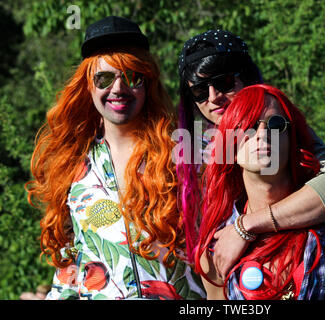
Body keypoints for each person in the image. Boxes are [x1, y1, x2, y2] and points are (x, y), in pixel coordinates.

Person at [25, 16, 205, 300]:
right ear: (88, 86)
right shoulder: (72, 166)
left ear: (148, 84)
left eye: (132, 77)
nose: (118, 89)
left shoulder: (183, 156)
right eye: (104, 78)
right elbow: (72, 264)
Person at [176, 29, 325, 278]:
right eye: (199, 91)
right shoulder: (190, 145)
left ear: (248, 78)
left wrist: (245, 227)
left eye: (224, 82)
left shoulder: (278, 126)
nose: (213, 97)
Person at [196, 84, 325, 300]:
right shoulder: (215, 250)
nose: (263, 133)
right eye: (247, 125)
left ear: (293, 140)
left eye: (276, 124)